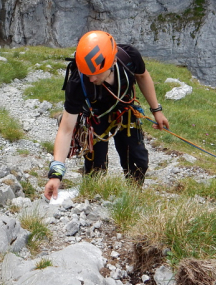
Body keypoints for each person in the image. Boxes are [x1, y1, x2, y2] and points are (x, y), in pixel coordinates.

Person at [44, 31, 169, 200]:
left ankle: (132, 198)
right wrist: (55, 174)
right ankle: (94, 200)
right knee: (95, 168)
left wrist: (157, 111)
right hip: (95, 116)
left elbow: (142, 75)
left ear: (113, 62)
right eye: (87, 73)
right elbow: (66, 129)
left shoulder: (129, 57)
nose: (91, 78)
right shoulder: (78, 81)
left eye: (96, 73)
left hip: (124, 110)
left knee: (138, 161)